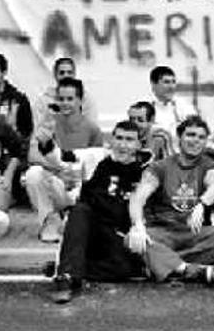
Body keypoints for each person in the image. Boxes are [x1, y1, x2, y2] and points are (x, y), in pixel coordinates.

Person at [126, 115, 214, 284]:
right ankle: (187, 269)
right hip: (162, 232)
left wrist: (202, 203)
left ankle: (162, 264)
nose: (195, 141)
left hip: (193, 232)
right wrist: (138, 225)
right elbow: (138, 197)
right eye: (191, 135)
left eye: (201, 137)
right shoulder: (160, 167)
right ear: (180, 138)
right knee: (132, 240)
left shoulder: (208, 165)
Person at [50, 120, 148, 304]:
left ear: (138, 145)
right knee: (79, 211)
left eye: (129, 140)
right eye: (118, 138)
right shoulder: (103, 166)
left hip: (125, 236)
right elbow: (87, 200)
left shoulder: (145, 172)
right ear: (111, 140)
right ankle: (66, 276)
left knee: (124, 269)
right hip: (99, 231)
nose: (122, 144)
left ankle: (76, 267)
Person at [26, 78, 105, 242]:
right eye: (61, 99)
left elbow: (98, 165)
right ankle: (49, 219)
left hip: (81, 187)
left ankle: (76, 220)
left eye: (70, 99)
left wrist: (77, 176)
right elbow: (32, 156)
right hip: (57, 182)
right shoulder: (48, 125)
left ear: (80, 100)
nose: (65, 103)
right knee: (33, 175)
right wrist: (59, 171)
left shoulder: (92, 128)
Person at [0, 53, 33, 205]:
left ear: (4, 73)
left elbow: (25, 136)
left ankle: (7, 194)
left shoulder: (18, 99)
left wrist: (10, 127)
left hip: (8, 154)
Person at [33, 57, 99, 128]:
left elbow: (91, 127)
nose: (66, 75)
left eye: (69, 72)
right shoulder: (42, 101)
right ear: (55, 75)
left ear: (74, 74)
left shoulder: (86, 99)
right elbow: (37, 127)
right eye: (62, 73)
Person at [148, 66, 196, 145]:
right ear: (154, 84)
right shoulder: (144, 107)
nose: (171, 87)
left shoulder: (183, 105)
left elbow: (196, 129)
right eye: (166, 82)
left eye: (173, 82)